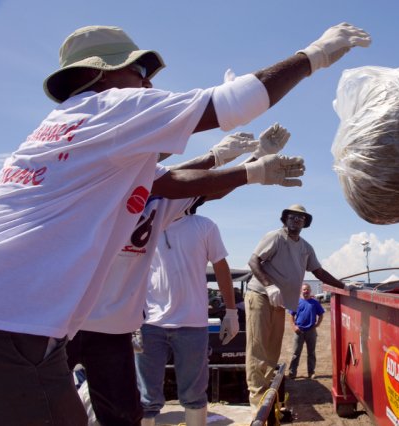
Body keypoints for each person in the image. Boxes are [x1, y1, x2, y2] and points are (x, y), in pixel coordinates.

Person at [0, 23, 371, 424]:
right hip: (18, 323)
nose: (147, 84)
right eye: (139, 72)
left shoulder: (61, 131)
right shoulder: (112, 106)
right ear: (99, 75)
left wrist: (249, 168)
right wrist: (314, 55)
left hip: (29, 319)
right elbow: (234, 103)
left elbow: (171, 182)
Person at [66, 124, 294, 426]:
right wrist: (222, 157)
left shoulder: (167, 211)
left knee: (132, 409)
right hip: (71, 318)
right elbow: (171, 179)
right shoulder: (96, 192)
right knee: (54, 400)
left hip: (131, 326)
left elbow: (199, 185)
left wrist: (251, 163)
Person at [246, 204, 361, 411]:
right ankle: (257, 402)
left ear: (305, 223)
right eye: (292, 216)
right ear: (285, 219)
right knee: (258, 349)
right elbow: (253, 261)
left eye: (301, 218)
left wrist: (344, 286)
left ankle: (267, 398)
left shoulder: (305, 247)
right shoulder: (276, 237)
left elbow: (319, 272)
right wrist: (269, 285)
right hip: (261, 296)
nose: (296, 220)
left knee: (272, 350)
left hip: (279, 302)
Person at [135, 210, 233, 426]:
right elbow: (128, 267)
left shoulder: (205, 226)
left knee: (195, 394)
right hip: (148, 323)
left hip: (192, 323)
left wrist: (232, 311)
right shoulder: (144, 223)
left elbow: (221, 266)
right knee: (145, 397)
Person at [287, 283, 325, 379]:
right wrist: (294, 327)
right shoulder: (296, 302)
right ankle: (292, 373)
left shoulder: (315, 303)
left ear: (310, 291)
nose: (306, 291)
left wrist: (317, 324)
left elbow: (321, 314)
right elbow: (291, 315)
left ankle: (311, 372)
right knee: (296, 353)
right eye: (304, 289)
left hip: (311, 331)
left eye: (307, 289)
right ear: (301, 291)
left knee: (311, 353)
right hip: (299, 331)